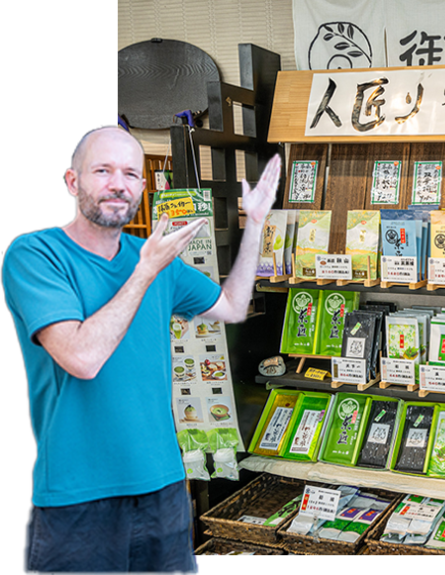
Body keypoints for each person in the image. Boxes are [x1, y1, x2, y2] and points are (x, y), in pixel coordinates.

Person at [4, 126, 281, 573]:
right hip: (77, 497)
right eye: (103, 170)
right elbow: (82, 358)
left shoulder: (155, 259)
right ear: (73, 182)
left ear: (142, 187)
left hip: (164, 487)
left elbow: (231, 306)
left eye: (131, 174)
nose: (119, 183)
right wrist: (144, 270)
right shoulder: (36, 254)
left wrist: (256, 224)